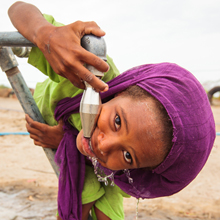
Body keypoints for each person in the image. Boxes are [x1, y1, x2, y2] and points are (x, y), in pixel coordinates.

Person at [8, 2, 216, 220]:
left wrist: (62, 140)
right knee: (79, 205)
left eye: (128, 156)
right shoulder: (88, 71)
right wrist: (46, 34)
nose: (103, 145)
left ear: (138, 168)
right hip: (60, 126)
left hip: (105, 171)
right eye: (117, 121)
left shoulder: (126, 171)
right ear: (120, 92)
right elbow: (17, 9)